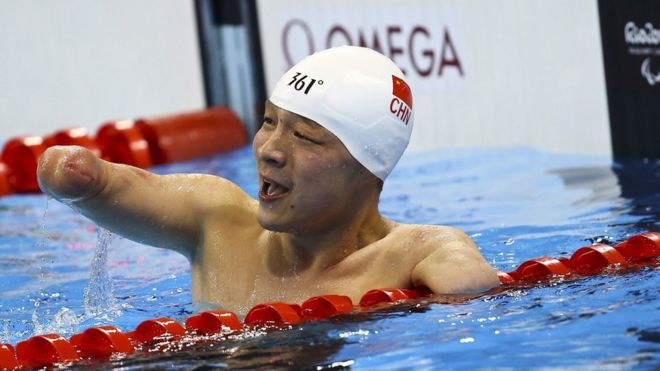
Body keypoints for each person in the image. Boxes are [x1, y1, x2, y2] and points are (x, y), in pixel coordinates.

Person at [37, 46, 499, 314]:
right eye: (269, 121)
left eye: (303, 135)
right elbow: (110, 186)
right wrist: (79, 176)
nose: (270, 149)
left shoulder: (417, 252)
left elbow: (473, 292)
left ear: (366, 168)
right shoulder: (216, 220)